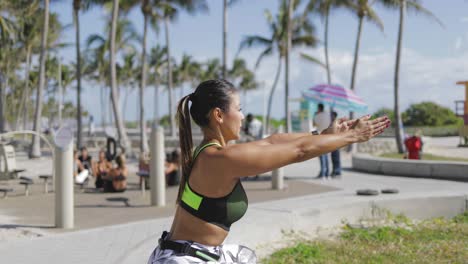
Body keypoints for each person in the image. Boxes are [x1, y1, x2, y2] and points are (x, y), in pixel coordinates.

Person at [146, 79, 390, 263]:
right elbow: (299, 152)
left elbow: (273, 142)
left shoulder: (213, 152)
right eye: (238, 109)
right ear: (219, 115)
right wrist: (351, 136)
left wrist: (326, 135)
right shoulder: (218, 159)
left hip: (189, 252)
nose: (242, 117)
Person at [313, 103, 331, 178]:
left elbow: (314, 125)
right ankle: (327, 173)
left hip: (319, 136)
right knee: (326, 155)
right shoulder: (327, 115)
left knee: (321, 155)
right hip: (327, 136)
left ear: (319, 108)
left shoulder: (317, 115)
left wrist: (315, 115)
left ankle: (322, 173)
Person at [330, 111, 342, 177]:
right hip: (334, 143)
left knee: (336, 158)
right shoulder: (333, 122)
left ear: (334, 116)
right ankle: (336, 171)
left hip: (336, 143)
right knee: (334, 158)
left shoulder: (336, 123)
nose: (330, 116)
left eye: (331, 115)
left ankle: (337, 171)